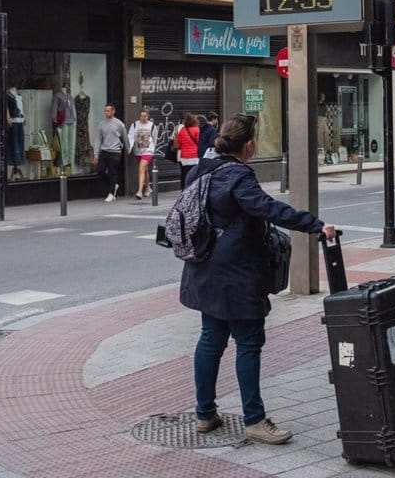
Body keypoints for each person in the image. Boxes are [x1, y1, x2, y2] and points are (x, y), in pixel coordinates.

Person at [180, 115, 337, 445]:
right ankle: (254, 420)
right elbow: (269, 209)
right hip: (236, 274)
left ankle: (204, 414)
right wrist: (315, 225)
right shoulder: (238, 176)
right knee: (248, 343)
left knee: (210, 339)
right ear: (249, 145)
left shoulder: (200, 171)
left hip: (204, 267)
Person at [92, 104, 127, 202]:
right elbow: (98, 139)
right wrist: (96, 154)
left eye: (108, 110)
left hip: (115, 151)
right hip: (104, 151)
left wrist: (127, 148)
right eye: (105, 111)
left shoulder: (119, 124)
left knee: (112, 172)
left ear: (113, 111)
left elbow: (124, 137)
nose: (106, 113)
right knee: (101, 171)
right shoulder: (101, 124)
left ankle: (111, 194)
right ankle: (114, 184)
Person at [128, 108, 158, 199]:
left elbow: (154, 138)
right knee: (144, 170)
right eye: (141, 116)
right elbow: (130, 136)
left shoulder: (152, 126)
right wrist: (130, 147)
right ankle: (148, 188)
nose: (143, 118)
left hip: (148, 151)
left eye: (145, 116)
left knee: (141, 168)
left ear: (148, 116)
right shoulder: (134, 125)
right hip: (138, 151)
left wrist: (152, 149)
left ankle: (140, 191)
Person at [175, 111, 201, 188]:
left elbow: (179, 144)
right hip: (194, 156)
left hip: (184, 157)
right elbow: (200, 142)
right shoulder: (197, 130)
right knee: (194, 175)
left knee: (185, 174)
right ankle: (193, 189)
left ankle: (185, 189)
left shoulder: (182, 130)